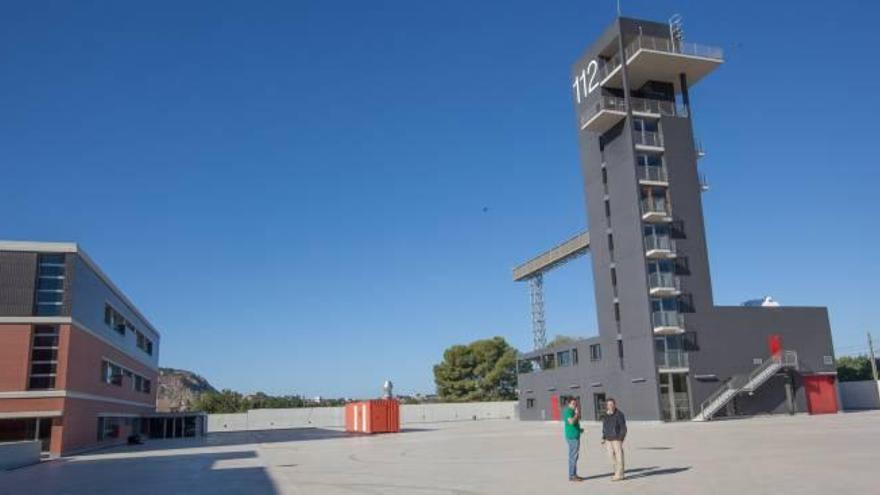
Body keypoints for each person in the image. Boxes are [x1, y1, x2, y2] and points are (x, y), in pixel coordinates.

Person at [601, 397, 627, 481]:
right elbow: (605, 426)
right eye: (608, 405)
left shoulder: (619, 414)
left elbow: (623, 428)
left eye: (612, 404)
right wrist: (603, 437)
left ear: (615, 405)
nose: (610, 406)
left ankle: (619, 474)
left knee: (619, 456)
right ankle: (618, 471)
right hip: (608, 439)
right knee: (611, 456)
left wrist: (621, 439)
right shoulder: (606, 415)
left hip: (616, 438)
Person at [562, 397, 584, 482]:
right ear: (569, 404)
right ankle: (572, 476)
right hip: (572, 437)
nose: (575, 405)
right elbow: (571, 422)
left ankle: (574, 474)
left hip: (575, 435)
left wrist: (580, 430)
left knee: (574, 456)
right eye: (573, 403)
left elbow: (574, 424)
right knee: (573, 457)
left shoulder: (572, 411)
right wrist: (576, 414)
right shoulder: (568, 411)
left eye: (576, 403)